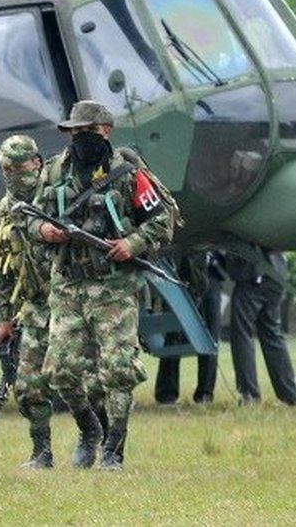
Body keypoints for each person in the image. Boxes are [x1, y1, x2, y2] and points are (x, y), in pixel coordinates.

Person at [23, 100, 173, 470]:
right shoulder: (55, 169)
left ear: (106, 131)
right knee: (61, 372)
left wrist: (131, 244)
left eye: (87, 131)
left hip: (113, 287)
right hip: (68, 286)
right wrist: (45, 230)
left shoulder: (127, 171)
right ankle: (90, 429)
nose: (80, 138)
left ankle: (113, 451)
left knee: (118, 370)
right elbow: (28, 220)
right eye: (74, 131)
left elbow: (161, 219)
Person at [0, 135, 56, 468]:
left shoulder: (57, 196)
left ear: (38, 162)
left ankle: (93, 434)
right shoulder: (3, 212)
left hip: (71, 300)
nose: (16, 173)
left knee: (78, 378)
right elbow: (1, 272)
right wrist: (2, 318)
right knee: (28, 385)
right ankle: (41, 452)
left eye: (22, 165)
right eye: (8, 168)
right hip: (34, 308)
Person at [226, 249, 296, 405]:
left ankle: (249, 395)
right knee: (272, 334)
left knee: (242, 334)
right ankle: (290, 395)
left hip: (253, 274)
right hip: (276, 273)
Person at [153, 250, 222, 404]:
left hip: (211, 272)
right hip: (180, 272)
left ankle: (205, 394)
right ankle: (166, 393)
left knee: (210, 335)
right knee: (173, 330)